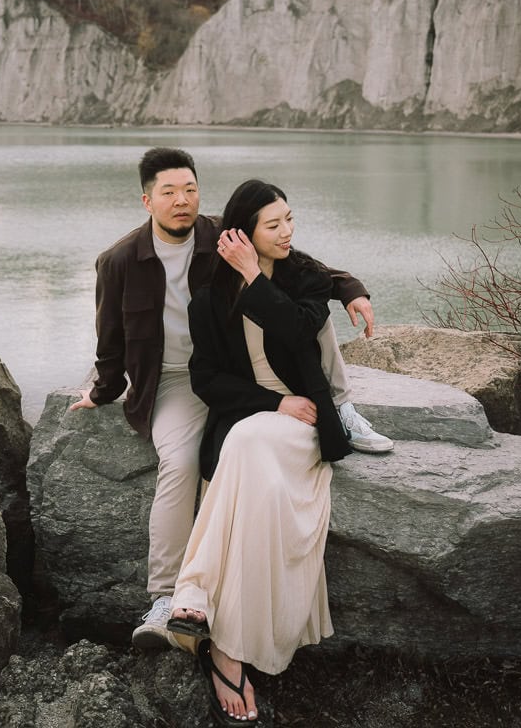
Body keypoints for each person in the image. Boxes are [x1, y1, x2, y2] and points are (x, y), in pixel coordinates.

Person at [70, 148, 392, 651]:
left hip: (238, 373)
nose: (183, 201)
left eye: (191, 189)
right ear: (147, 199)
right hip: (177, 380)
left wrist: (351, 288)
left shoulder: (225, 236)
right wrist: (102, 390)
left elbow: (301, 266)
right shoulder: (118, 262)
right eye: (169, 192)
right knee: (180, 463)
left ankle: (342, 407)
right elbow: (110, 339)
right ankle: (164, 597)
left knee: (239, 448)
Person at [167, 179, 356, 725]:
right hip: (263, 417)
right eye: (274, 225)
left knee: (245, 443)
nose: (287, 232)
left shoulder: (304, 280)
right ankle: (219, 635)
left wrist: (255, 276)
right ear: (243, 234)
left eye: (290, 220)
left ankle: (194, 592)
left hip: (307, 424)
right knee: (247, 452)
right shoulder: (208, 299)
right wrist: (274, 402)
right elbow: (205, 378)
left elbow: (300, 333)